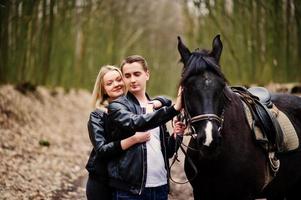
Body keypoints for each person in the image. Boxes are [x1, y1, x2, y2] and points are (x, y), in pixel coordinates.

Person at [85, 65, 181, 200]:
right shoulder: (98, 115)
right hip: (102, 180)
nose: (116, 84)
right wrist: (134, 139)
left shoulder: (134, 108)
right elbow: (101, 149)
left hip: (124, 179)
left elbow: (164, 102)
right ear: (103, 89)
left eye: (119, 79)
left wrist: (157, 102)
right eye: (109, 83)